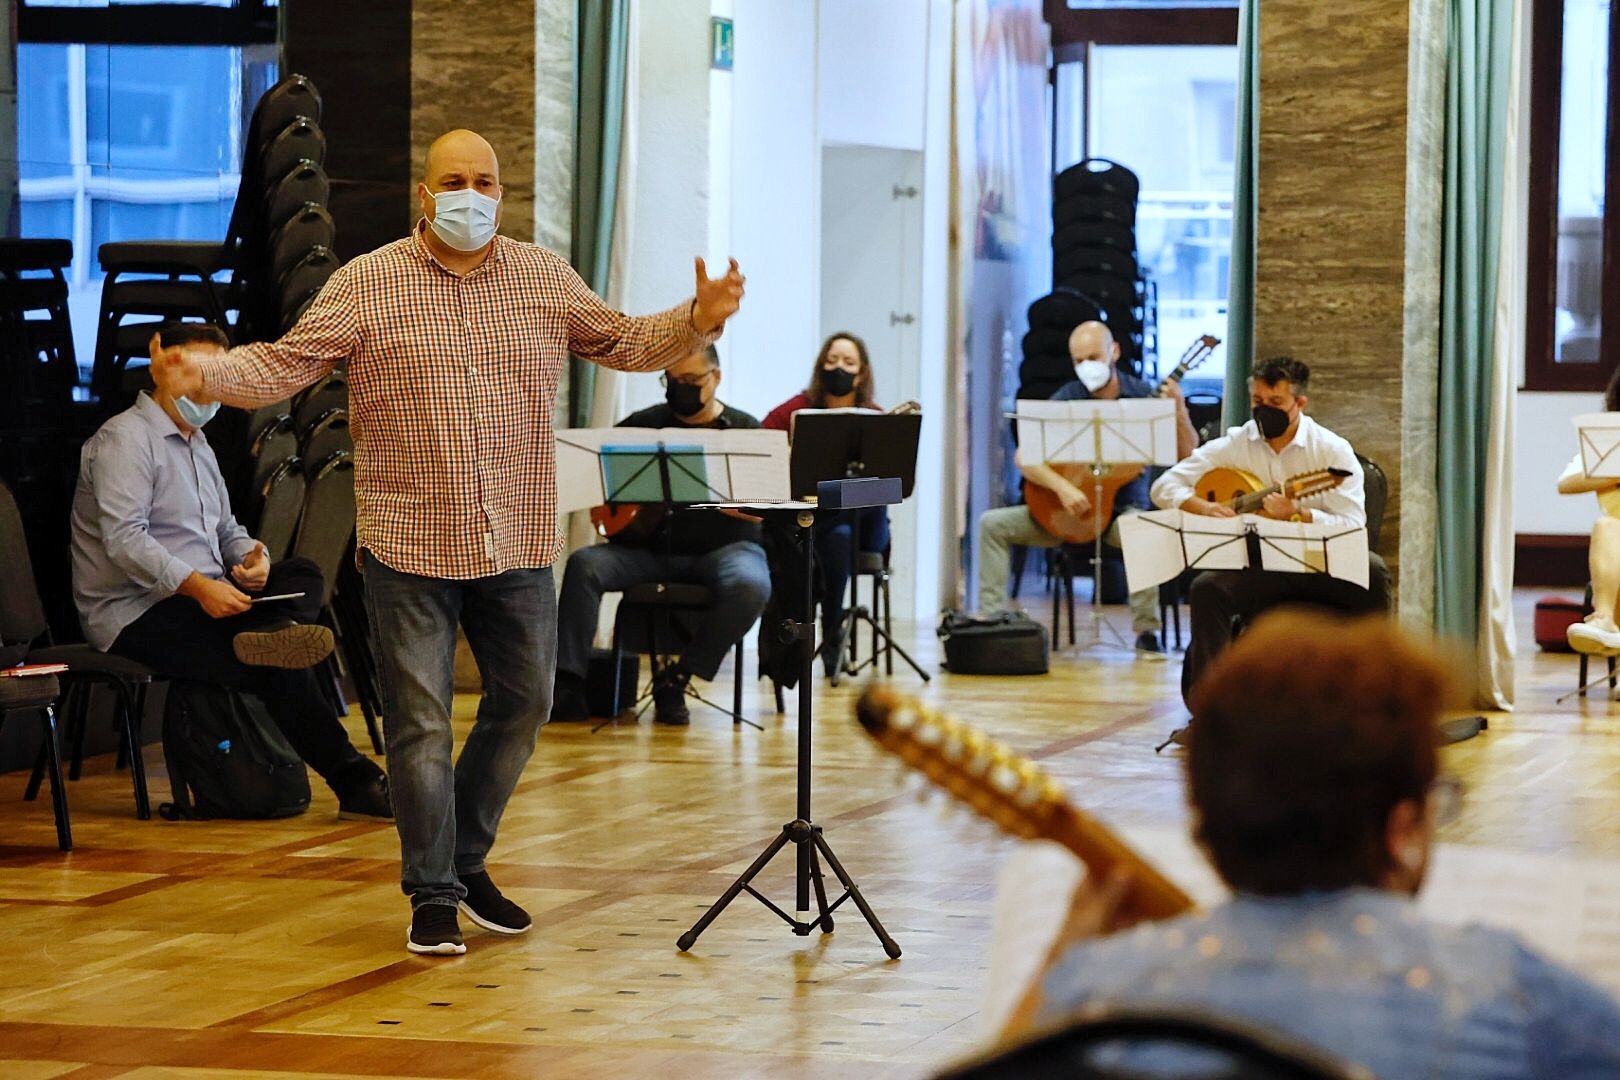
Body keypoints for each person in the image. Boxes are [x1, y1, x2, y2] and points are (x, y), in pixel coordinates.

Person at [154, 129, 745, 957]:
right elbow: (288, 365)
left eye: (485, 181)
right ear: (425, 196)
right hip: (410, 542)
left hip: (519, 537)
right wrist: (208, 376)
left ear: (501, 194)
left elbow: (620, 339)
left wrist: (696, 319)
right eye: (454, 181)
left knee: (526, 702)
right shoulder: (368, 283)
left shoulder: (541, 277)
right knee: (419, 724)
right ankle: (431, 891)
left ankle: (464, 860)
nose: (471, 194)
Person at [1009, 610, 1620, 1078]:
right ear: (1402, 829)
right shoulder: (1500, 988)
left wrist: (1057, 965)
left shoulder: (1095, 994)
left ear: (1204, 824)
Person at [70, 322, 391, 821]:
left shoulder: (198, 442)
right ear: (168, 371)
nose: (211, 388)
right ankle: (357, 780)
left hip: (210, 598)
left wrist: (250, 558)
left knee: (300, 572)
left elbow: (226, 528)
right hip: (138, 610)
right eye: (202, 374)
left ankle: (270, 628)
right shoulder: (124, 441)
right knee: (272, 662)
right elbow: (124, 541)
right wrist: (199, 588)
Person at [1150, 356, 1389, 708]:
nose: (1264, 412)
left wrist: (1301, 513)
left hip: (1318, 567)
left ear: (1300, 403)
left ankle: (1376, 698)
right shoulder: (1238, 442)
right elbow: (1163, 485)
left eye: (1275, 403)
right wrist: (1201, 506)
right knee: (1206, 588)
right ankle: (1211, 708)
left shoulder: (1331, 450)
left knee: (1373, 570)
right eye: (1258, 402)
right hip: (1262, 568)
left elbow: (1353, 526)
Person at [550, 346, 770, 725]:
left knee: (751, 584)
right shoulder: (643, 425)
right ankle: (567, 683)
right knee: (586, 564)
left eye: (689, 381)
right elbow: (599, 484)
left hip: (726, 549)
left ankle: (679, 678)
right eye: (670, 380)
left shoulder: (745, 430)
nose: (677, 388)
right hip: (648, 551)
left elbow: (766, 506)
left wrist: (730, 499)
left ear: (716, 377)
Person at [976, 321, 1197, 656]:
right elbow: (1025, 458)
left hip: (1120, 513)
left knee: (1146, 531)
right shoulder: (1067, 397)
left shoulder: (1142, 395)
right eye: (1078, 361)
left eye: (1093, 357)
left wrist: (1179, 411)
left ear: (1115, 351)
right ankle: (991, 621)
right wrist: (1063, 488)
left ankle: (1146, 632)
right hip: (1062, 514)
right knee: (991, 524)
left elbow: (1186, 455)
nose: (1086, 367)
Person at [763, 331, 890, 675]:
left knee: (852, 512)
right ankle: (834, 631)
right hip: (820, 529)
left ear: (862, 372)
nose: (839, 368)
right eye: (832, 360)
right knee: (838, 537)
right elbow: (762, 444)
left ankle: (826, 626)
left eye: (849, 362)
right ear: (821, 367)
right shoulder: (798, 410)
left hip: (868, 526)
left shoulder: (875, 416)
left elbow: (889, 484)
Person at [1556, 363, 1620, 654]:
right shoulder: (1612, 438)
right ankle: (1604, 621)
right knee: (1606, 526)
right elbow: (1566, 483)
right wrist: (1615, 473)